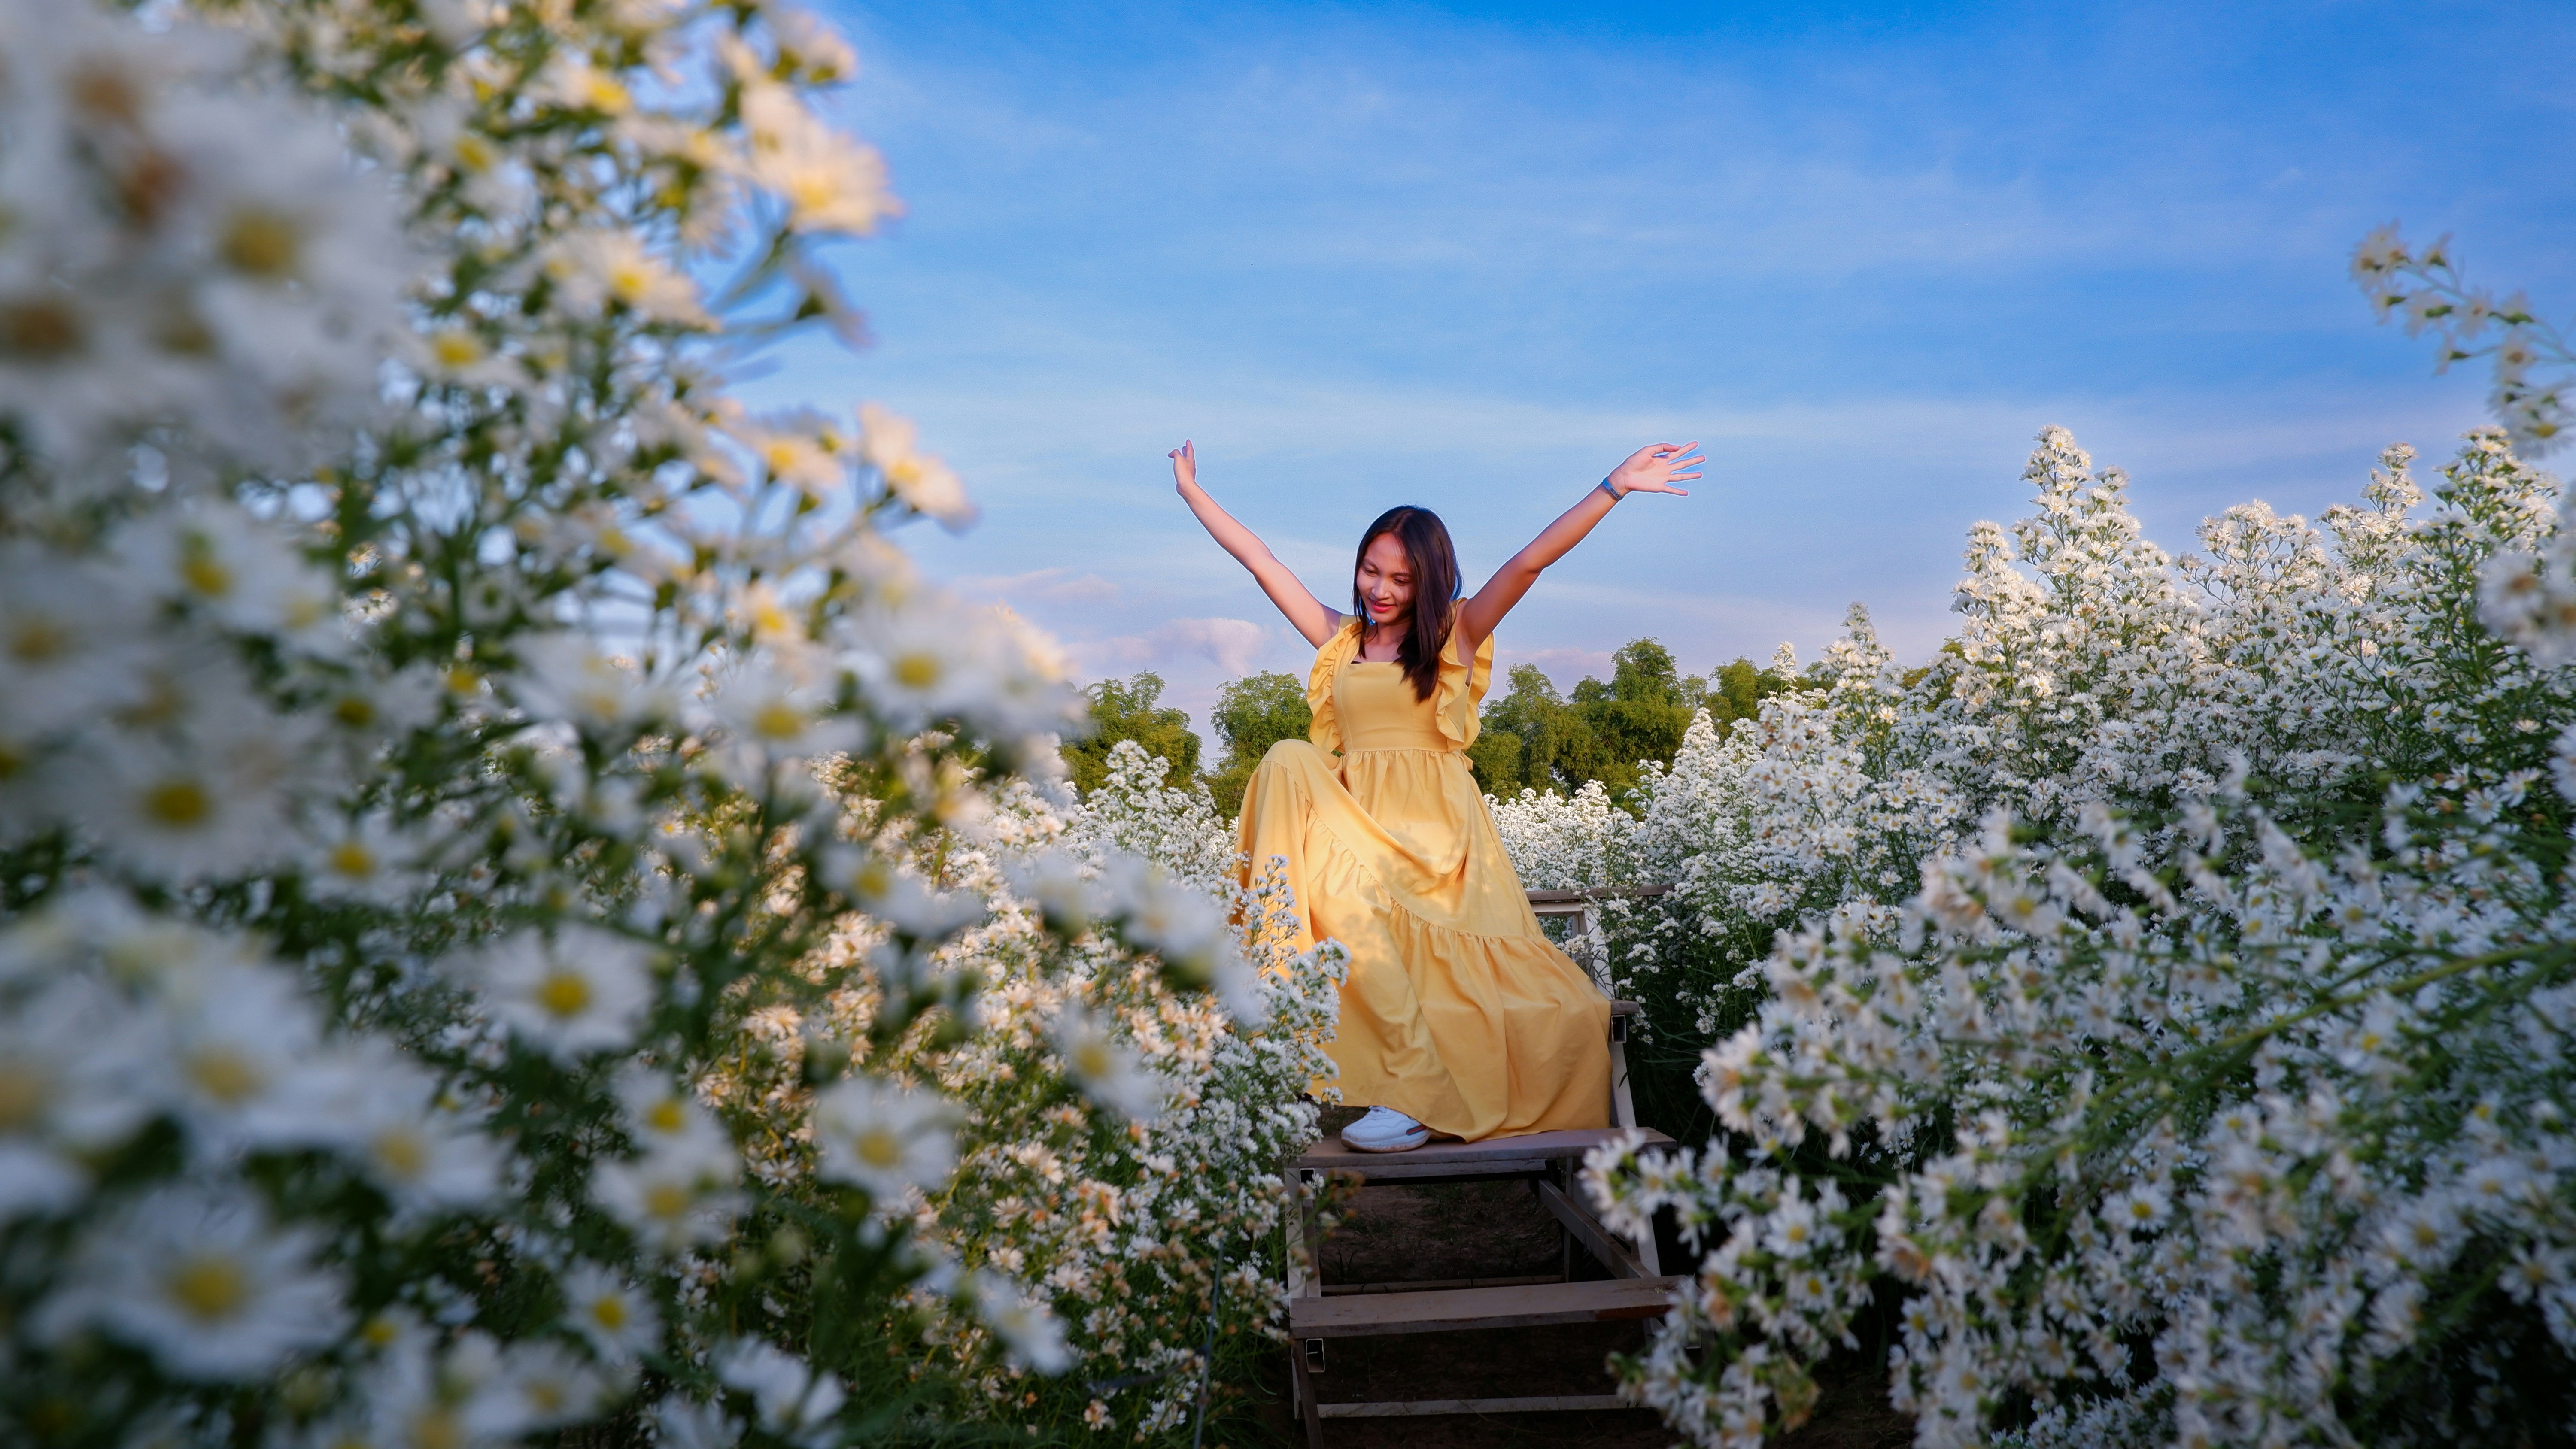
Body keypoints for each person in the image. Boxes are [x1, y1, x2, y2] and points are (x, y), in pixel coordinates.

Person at [1170, 439, 1701, 1152]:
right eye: (1371, 570)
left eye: (1401, 578)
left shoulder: (1455, 634)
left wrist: (1615, 486)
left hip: (1434, 834)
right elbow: (1263, 563)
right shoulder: (1342, 641)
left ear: (1431, 582)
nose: (1381, 589)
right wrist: (1193, 494)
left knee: (1471, 979)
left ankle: (1415, 1100)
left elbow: (1530, 561)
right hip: (1357, 822)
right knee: (1290, 760)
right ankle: (1324, 1015)